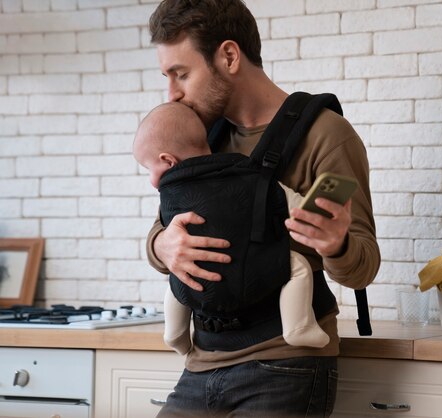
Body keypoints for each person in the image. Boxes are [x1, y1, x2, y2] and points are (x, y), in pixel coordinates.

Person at [146, 1, 380, 416]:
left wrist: (337, 244)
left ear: (229, 56)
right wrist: (161, 246)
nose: (172, 94)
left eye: (181, 74)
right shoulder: (202, 136)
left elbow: (362, 267)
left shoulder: (328, 136)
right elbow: (166, 229)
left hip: (285, 365)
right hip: (201, 363)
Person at [133, 101, 330, 354]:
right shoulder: (249, 174)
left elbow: (162, 232)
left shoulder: (170, 197)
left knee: (176, 281)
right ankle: (297, 326)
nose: (151, 180)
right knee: (298, 266)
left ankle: (175, 334)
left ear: (168, 161)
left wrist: (161, 245)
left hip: (195, 284)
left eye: (148, 169)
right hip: (249, 272)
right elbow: (297, 208)